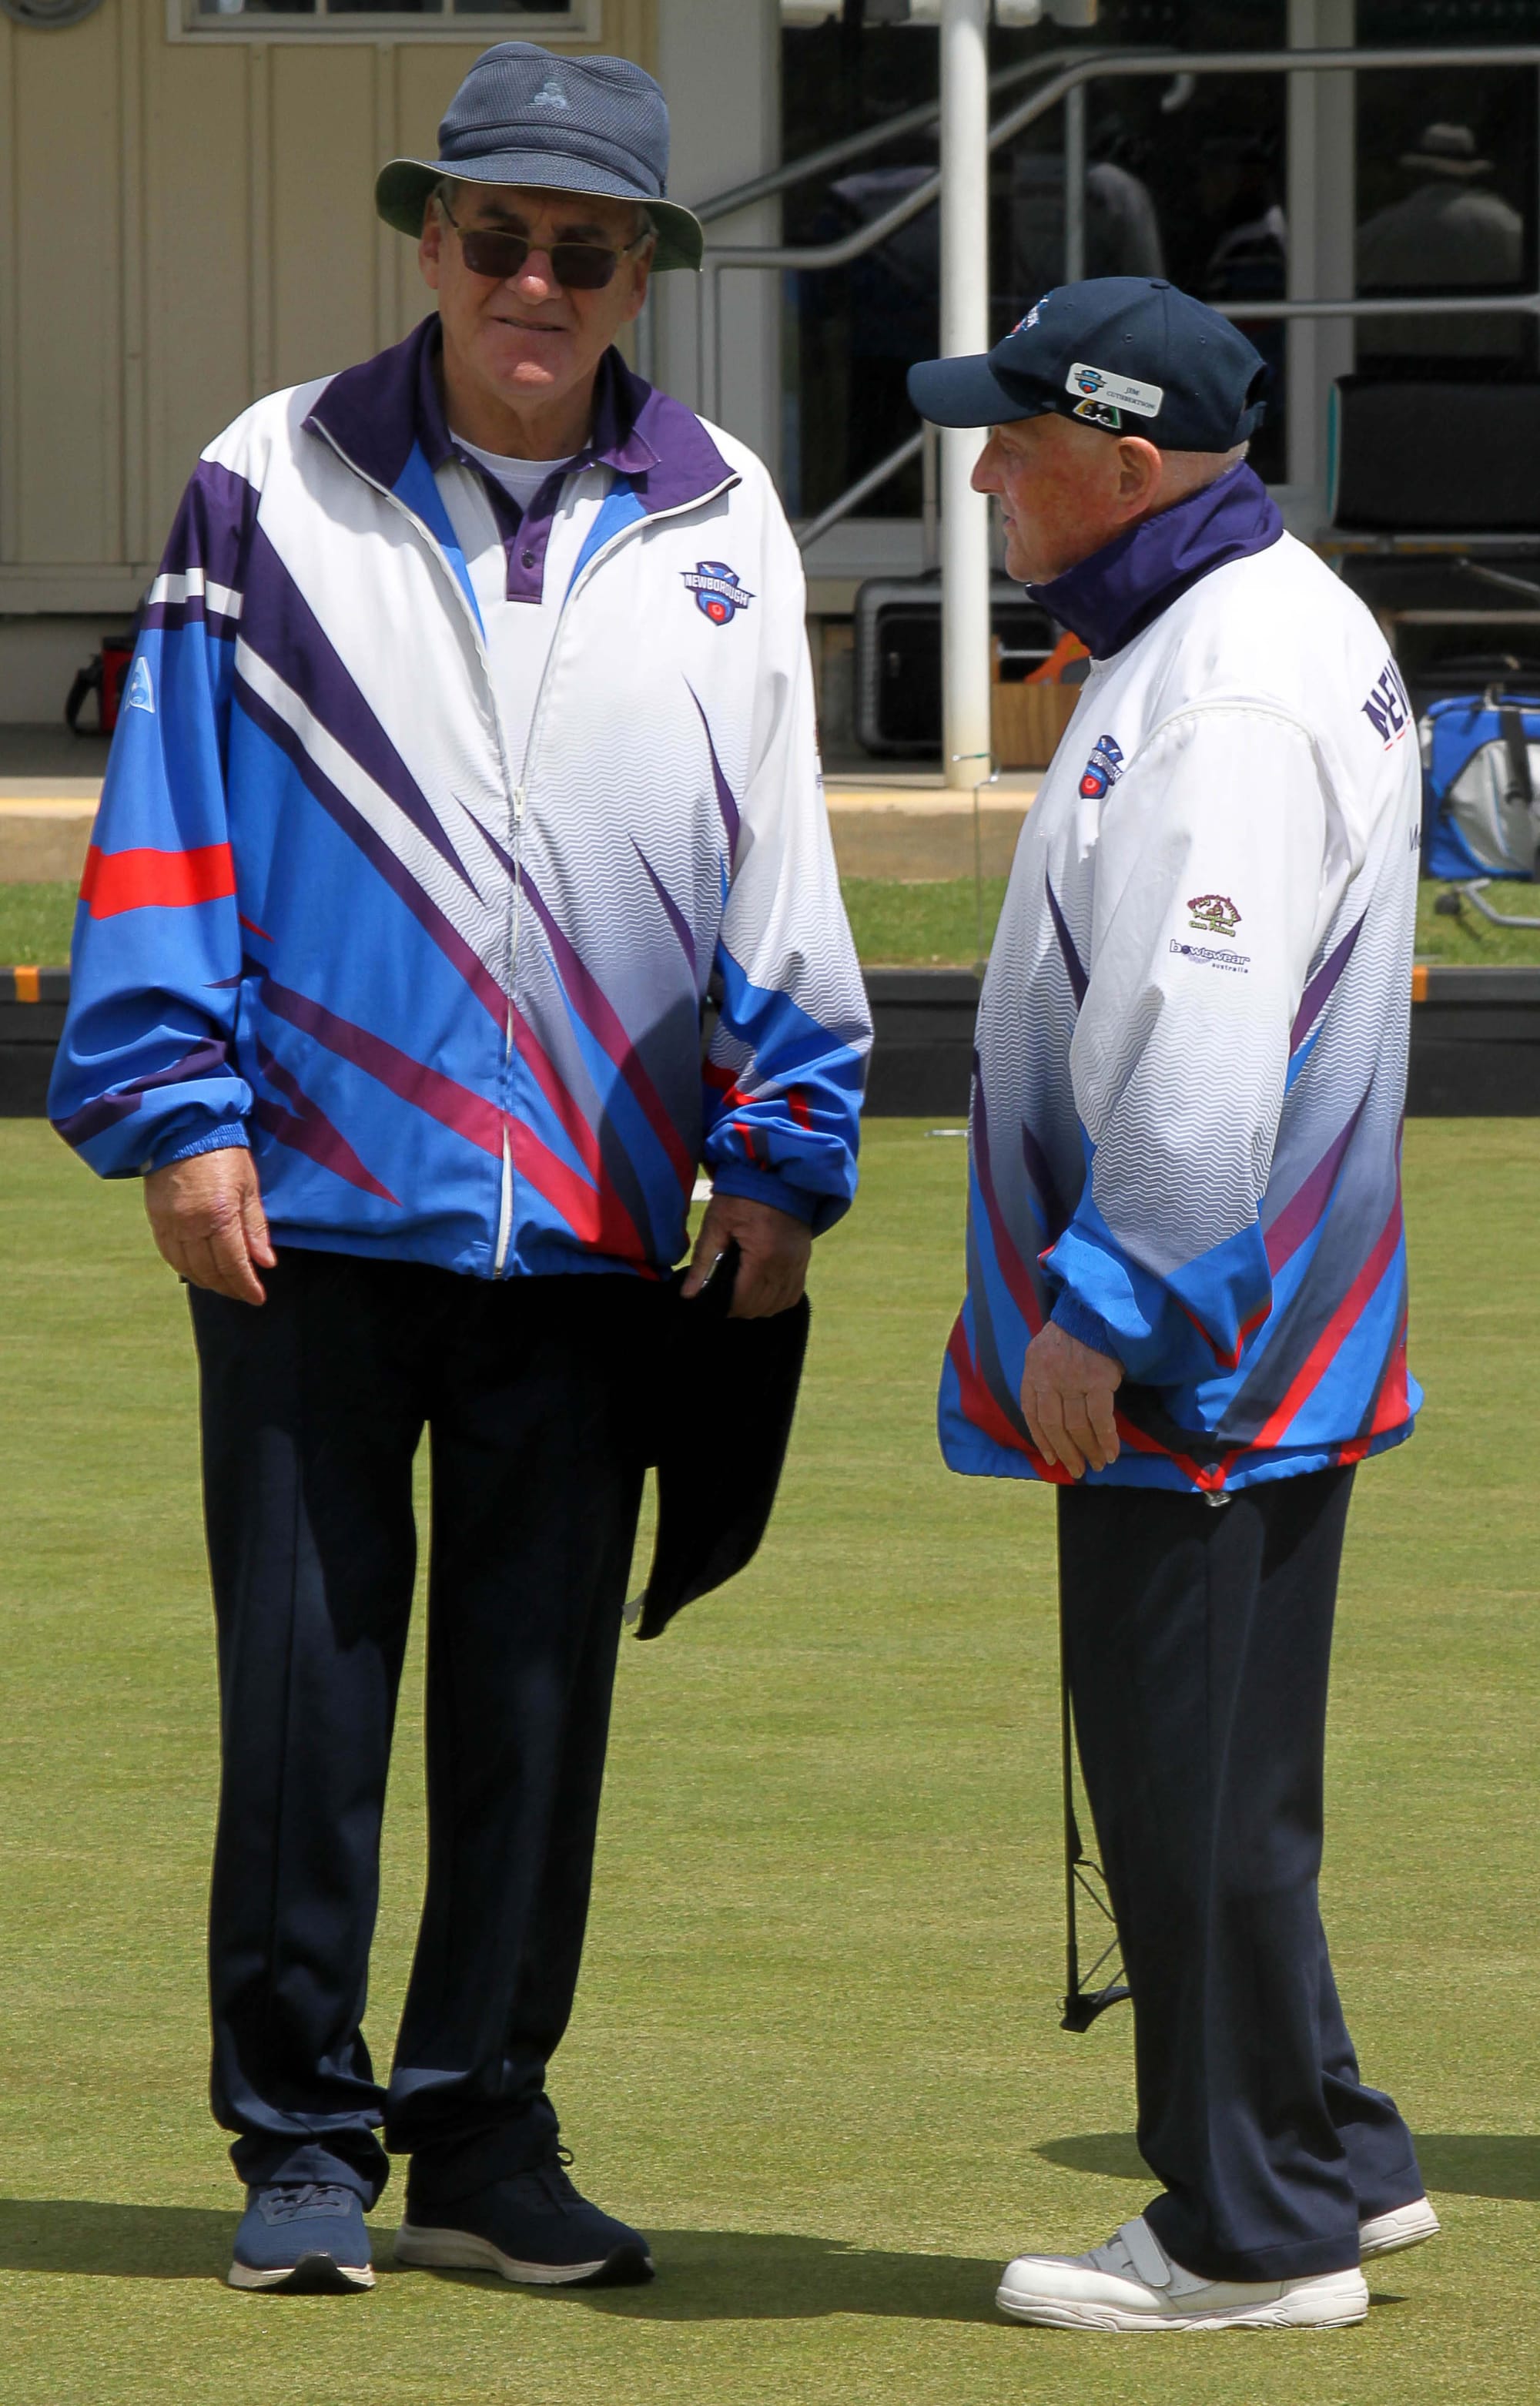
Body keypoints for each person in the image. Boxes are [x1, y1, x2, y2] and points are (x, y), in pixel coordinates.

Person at [50, 40, 869, 2297]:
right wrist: (180, 1113)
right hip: (305, 1212)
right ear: (430, 240)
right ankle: (300, 2137)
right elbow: (166, 809)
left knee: (534, 1701)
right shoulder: (267, 477)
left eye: (580, 252)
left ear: (638, 278)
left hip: (599, 1221)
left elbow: (777, 859)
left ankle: (486, 2129)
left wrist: (781, 1147)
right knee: (303, 1699)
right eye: (495, 235)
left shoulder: (726, 515)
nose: (533, 281)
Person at [909, 278, 1435, 2334]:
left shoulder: (1217, 686)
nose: (981, 475)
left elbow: (1203, 1051)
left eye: (1016, 441)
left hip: (1203, 1346)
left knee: (1185, 1785)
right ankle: (1332, 2149)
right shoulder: (1255, 618)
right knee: (1226, 1776)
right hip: (1274, 1323)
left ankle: (1249, 2230)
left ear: (1125, 469)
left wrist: (1102, 1308)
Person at [1357, 121, 1524, 362]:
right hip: (1496, 374)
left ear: (1417, 172)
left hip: (1395, 374)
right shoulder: (1510, 227)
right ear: (1471, 173)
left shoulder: (1374, 234)